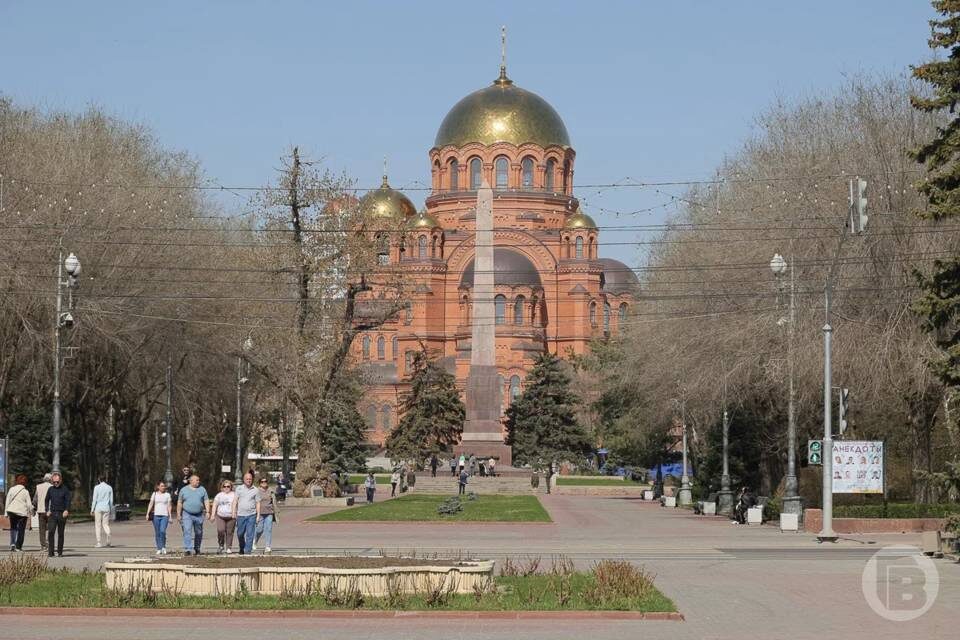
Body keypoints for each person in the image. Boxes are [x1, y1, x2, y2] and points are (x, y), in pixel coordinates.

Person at [176, 474, 210, 555]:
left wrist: (208, 511)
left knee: (199, 532)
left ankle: (197, 547)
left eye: (198, 480)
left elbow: (206, 500)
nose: (198, 481)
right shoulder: (184, 490)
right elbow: (180, 502)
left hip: (199, 514)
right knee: (187, 530)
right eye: (196, 480)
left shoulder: (202, 489)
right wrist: (178, 514)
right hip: (187, 513)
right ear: (190, 481)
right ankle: (188, 549)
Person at [232, 473, 260, 555]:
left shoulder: (255, 490)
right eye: (247, 479)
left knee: (250, 534)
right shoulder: (239, 489)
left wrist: (258, 515)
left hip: (252, 515)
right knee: (240, 533)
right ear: (244, 480)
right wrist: (233, 512)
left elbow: (258, 503)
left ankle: (247, 551)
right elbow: (235, 501)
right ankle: (242, 547)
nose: (249, 480)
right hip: (240, 515)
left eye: (250, 479)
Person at [44, 471, 71, 557]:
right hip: (52, 514)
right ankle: (51, 552)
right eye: (54, 482)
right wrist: (47, 510)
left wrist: (66, 510)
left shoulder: (65, 489)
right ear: (52, 481)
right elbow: (46, 500)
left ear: (60, 480)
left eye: (57, 482)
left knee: (60, 533)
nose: (56, 483)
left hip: (61, 514)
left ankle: (60, 552)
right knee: (51, 532)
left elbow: (68, 501)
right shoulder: (50, 489)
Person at [4, 474, 33, 551]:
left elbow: (8, 501)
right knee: (21, 530)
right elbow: (29, 504)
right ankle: (18, 547)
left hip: (12, 511)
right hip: (22, 513)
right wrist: (32, 512)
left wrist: (6, 513)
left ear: (17, 481)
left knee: (13, 528)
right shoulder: (25, 491)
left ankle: (12, 544)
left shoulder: (11, 489)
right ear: (25, 482)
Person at [146, 480, 172, 555]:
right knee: (157, 532)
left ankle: (163, 547)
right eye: (162, 486)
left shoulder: (167, 495)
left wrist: (170, 516)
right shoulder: (154, 494)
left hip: (165, 516)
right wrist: (147, 513)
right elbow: (151, 503)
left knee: (162, 531)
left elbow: (169, 506)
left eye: (164, 486)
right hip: (156, 516)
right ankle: (159, 548)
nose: (163, 487)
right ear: (158, 487)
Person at [211, 479, 236, 554]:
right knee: (220, 530)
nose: (226, 488)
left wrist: (235, 513)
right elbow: (215, 505)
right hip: (220, 516)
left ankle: (228, 547)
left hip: (231, 516)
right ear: (222, 487)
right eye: (224, 486)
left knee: (229, 532)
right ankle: (221, 545)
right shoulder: (219, 495)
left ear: (231, 487)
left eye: (228, 486)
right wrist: (212, 515)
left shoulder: (234, 494)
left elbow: (236, 504)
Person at [254, 477, 278, 554]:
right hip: (260, 513)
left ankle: (268, 546)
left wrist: (276, 510)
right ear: (259, 483)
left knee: (268, 529)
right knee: (259, 529)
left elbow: (274, 501)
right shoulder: (256, 491)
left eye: (265, 481)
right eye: (262, 481)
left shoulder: (271, 490)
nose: (264, 482)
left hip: (269, 513)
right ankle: (255, 541)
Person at [90, 475, 114, 548]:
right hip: (106, 508)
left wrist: (92, 509)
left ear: (99, 479)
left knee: (98, 525)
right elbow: (111, 500)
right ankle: (108, 534)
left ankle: (99, 542)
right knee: (105, 524)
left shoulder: (96, 487)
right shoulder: (109, 487)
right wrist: (110, 508)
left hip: (98, 508)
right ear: (105, 479)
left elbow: (94, 499)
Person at [33, 473, 52, 552]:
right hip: (50, 511)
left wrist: (34, 507)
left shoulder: (38, 486)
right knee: (51, 528)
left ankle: (43, 546)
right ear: (50, 479)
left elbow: (35, 499)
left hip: (40, 511)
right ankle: (49, 544)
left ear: (44, 479)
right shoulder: (52, 487)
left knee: (42, 529)